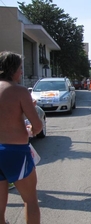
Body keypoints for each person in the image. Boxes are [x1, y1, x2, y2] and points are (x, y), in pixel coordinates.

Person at [0, 51, 43, 224]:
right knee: (30, 200)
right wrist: (29, 128)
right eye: (20, 68)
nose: (22, 73)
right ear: (12, 70)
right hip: (15, 152)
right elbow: (37, 126)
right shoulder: (19, 91)